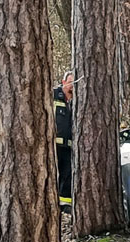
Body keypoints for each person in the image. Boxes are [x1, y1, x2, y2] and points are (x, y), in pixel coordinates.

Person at [54, 71, 74, 208]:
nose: (72, 86)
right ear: (63, 82)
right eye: (70, 82)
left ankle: (64, 204)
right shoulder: (54, 95)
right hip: (54, 145)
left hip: (69, 146)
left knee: (67, 174)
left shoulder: (76, 101)